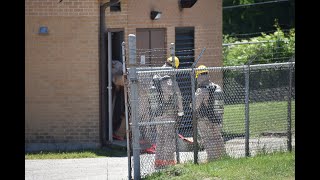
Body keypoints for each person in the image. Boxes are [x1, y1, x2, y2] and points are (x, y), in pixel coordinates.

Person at [148, 56, 184, 169]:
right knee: (169, 138)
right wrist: (181, 111)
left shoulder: (156, 75)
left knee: (160, 138)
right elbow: (177, 96)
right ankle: (168, 163)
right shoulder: (169, 78)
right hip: (168, 113)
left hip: (157, 113)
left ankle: (158, 163)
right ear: (174, 67)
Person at [194, 65, 226, 161]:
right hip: (217, 117)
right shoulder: (218, 88)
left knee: (208, 139)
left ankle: (212, 159)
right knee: (217, 137)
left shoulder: (201, 90)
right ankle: (223, 157)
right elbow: (220, 106)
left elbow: (195, 106)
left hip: (204, 119)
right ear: (208, 75)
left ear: (199, 77)